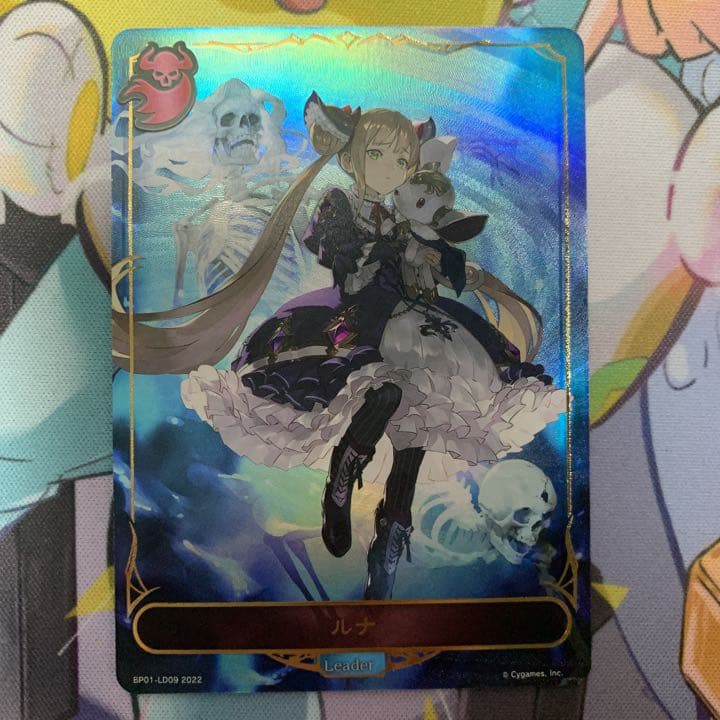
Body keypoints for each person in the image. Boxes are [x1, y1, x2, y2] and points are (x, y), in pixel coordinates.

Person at [179, 92, 566, 599]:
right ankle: (344, 472)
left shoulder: (402, 217)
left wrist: (450, 265)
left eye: (402, 160)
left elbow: (435, 258)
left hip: (414, 321)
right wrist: (389, 248)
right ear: (351, 159)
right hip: (358, 317)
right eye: (378, 154)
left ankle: (391, 534)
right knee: (385, 393)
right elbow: (335, 251)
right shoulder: (340, 203)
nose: (390, 168)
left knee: (418, 427)